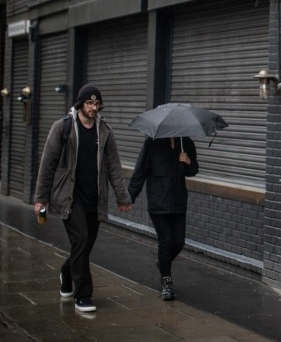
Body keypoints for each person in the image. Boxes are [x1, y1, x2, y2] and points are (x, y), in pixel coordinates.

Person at [34, 84, 132, 313]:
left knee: (85, 246)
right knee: (81, 241)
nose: (94, 107)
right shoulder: (63, 128)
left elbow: (114, 167)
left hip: (94, 198)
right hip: (70, 198)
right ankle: (84, 295)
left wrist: (122, 197)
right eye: (89, 103)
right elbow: (47, 165)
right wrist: (41, 198)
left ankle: (66, 273)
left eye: (97, 104)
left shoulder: (105, 131)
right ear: (80, 104)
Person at [128, 135, 198, 300]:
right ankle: (167, 282)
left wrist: (188, 160)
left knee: (179, 242)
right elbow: (140, 171)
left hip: (179, 203)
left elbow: (193, 171)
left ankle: (163, 262)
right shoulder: (151, 144)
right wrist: (129, 197)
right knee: (166, 241)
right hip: (158, 203)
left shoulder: (186, 143)